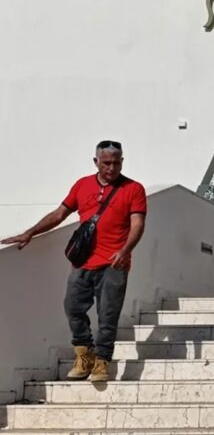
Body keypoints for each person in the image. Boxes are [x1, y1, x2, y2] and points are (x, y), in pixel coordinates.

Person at [1, 140, 147, 382]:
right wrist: (30, 232)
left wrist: (125, 249)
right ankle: (84, 353)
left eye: (117, 162)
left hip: (114, 263)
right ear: (96, 162)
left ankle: (102, 361)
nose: (112, 168)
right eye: (106, 163)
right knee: (72, 307)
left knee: (108, 314)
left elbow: (138, 224)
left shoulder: (134, 189)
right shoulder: (82, 185)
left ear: (122, 161)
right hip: (83, 262)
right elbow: (60, 214)